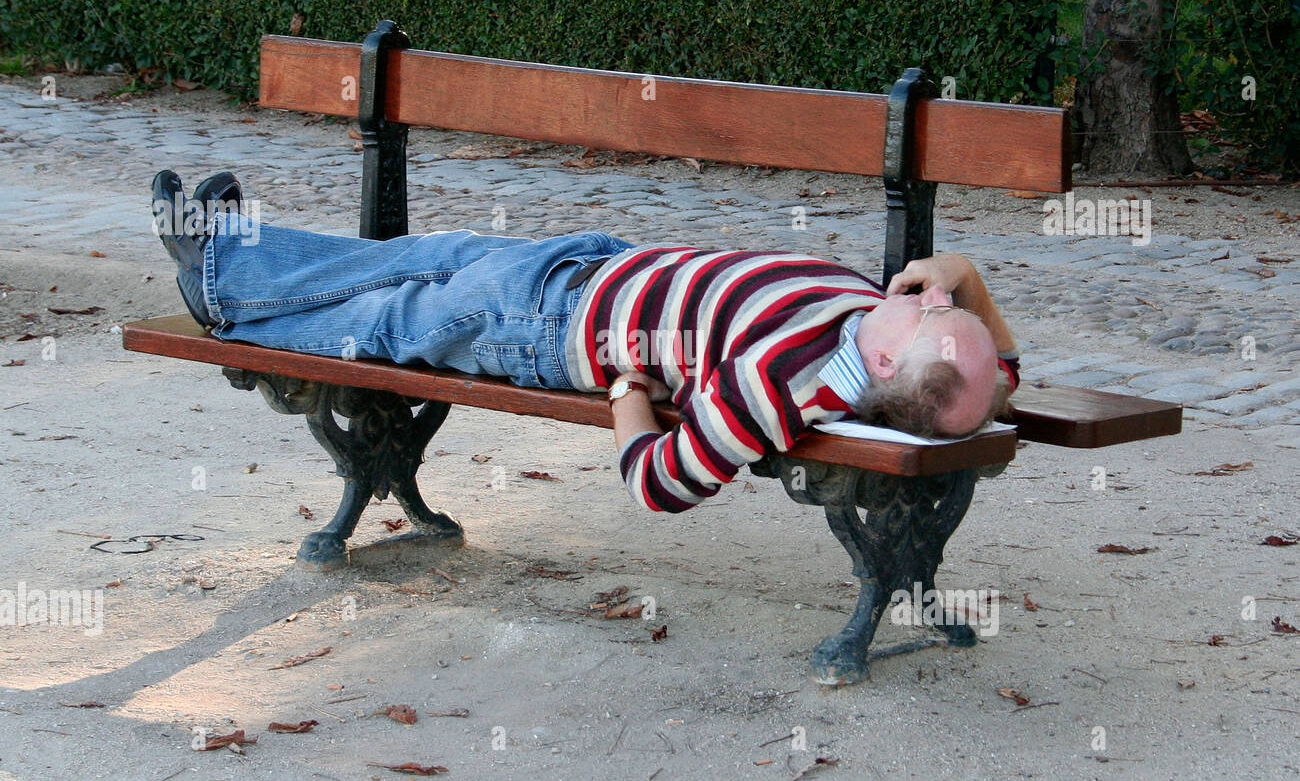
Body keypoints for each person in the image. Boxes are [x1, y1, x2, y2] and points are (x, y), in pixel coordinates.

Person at [152, 170, 1020, 513]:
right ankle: (242, 258)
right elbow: (995, 367)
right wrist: (963, 270)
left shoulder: (777, 385)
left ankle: (224, 286)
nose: (936, 293)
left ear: (878, 364)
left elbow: (660, 482)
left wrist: (625, 396)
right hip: (597, 269)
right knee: (419, 258)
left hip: (554, 329)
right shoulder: (931, 366)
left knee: (392, 318)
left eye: (937, 308)